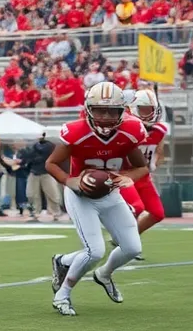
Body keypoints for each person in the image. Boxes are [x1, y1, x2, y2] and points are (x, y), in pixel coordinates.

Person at [46, 83, 150, 317]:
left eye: (112, 110)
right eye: (100, 110)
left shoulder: (130, 131)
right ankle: (62, 295)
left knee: (133, 248)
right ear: (88, 109)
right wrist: (69, 181)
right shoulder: (76, 132)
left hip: (111, 193)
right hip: (80, 195)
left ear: (122, 111)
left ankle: (100, 273)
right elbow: (51, 163)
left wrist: (128, 177)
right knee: (94, 251)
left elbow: (142, 167)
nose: (105, 116)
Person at [117, 89, 168, 236]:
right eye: (144, 109)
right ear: (133, 108)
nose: (149, 113)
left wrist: (153, 165)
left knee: (157, 214)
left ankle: (127, 238)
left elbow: (160, 153)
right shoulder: (124, 128)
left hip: (143, 176)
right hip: (125, 174)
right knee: (136, 208)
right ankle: (124, 240)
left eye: (151, 109)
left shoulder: (159, 130)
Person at [25, 133, 64, 220]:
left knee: (52, 193)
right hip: (34, 172)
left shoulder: (50, 146)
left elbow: (46, 156)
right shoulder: (34, 146)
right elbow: (28, 158)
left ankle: (56, 212)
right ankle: (35, 212)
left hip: (47, 172)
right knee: (32, 193)